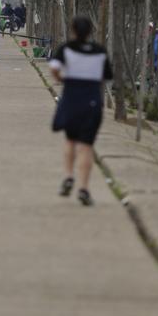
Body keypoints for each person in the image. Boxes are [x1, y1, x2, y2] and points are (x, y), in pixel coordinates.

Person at [49, 15, 112, 206]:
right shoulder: (100, 52)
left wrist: (62, 78)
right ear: (91, 31)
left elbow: (53, 68)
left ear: (73, 30)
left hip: (72, 99)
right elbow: (107, 77)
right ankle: (84, 188)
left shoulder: (66, 49)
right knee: (86, 146)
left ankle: (69, 176)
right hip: (92, 101)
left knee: (70, 140)